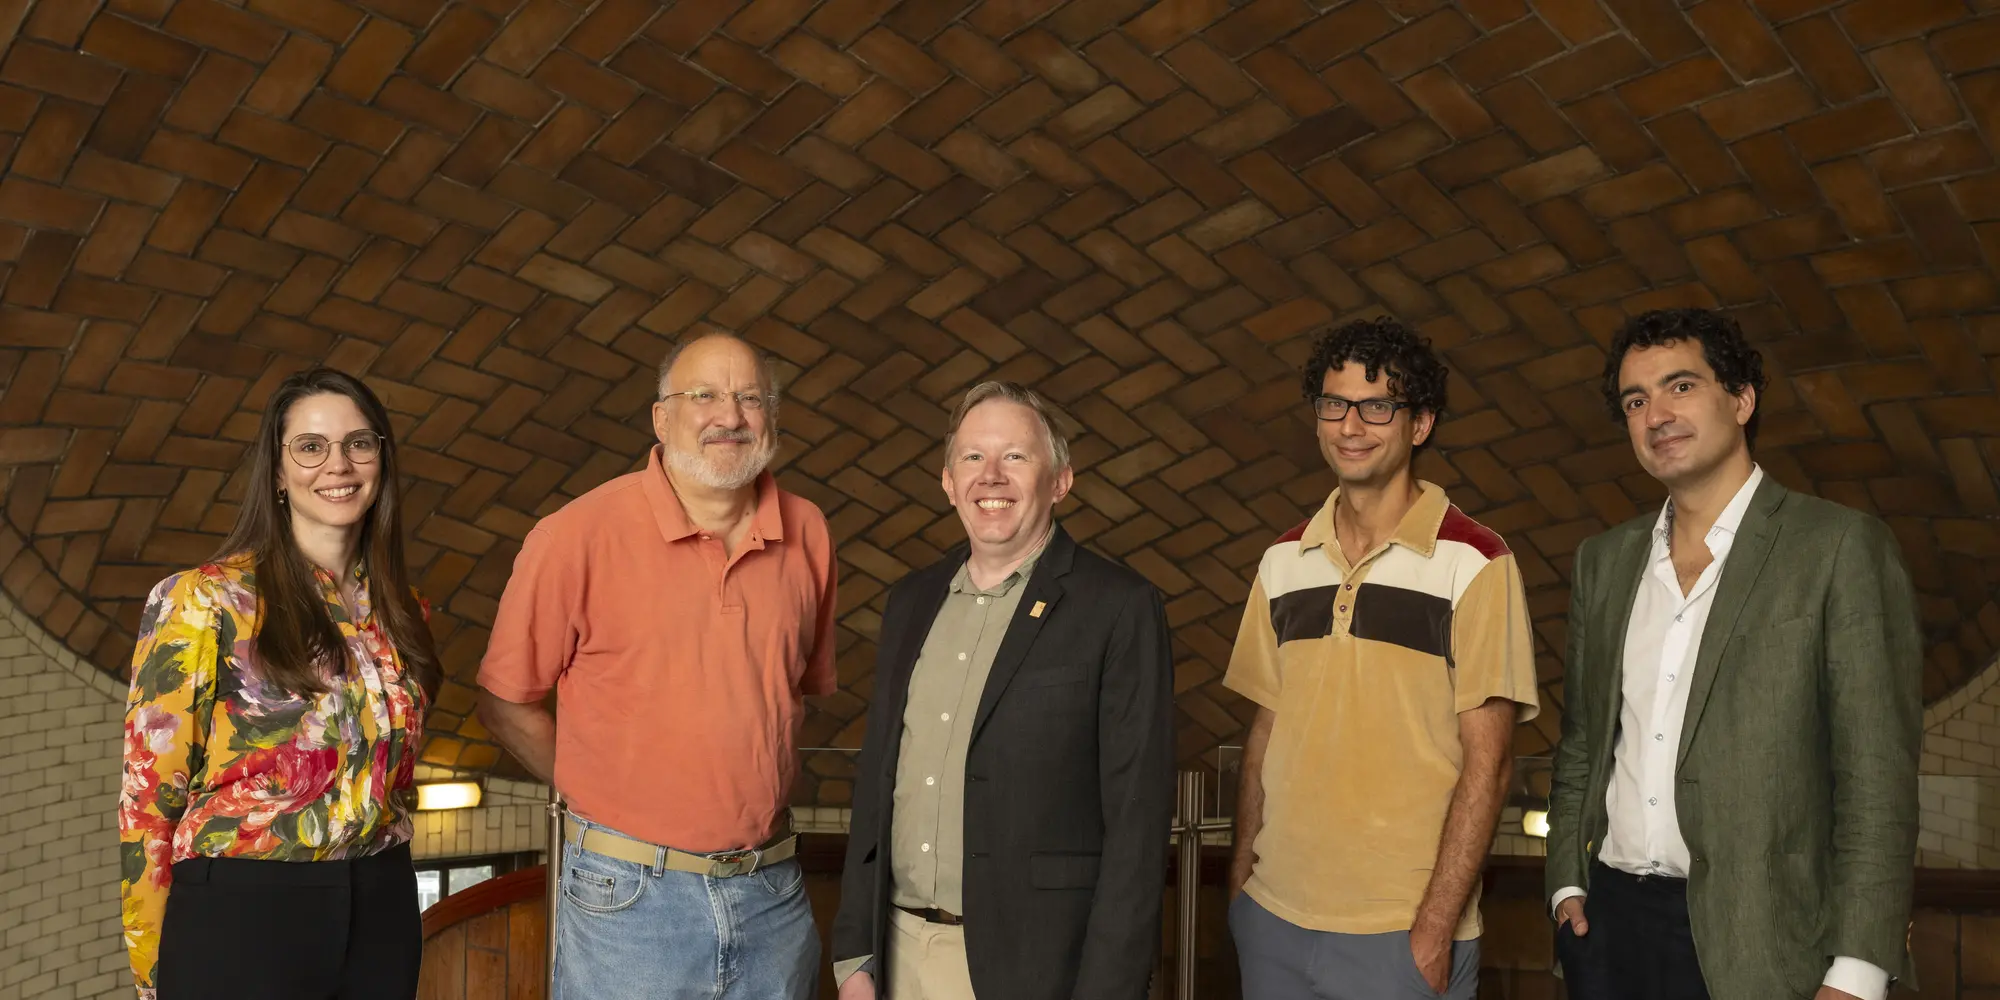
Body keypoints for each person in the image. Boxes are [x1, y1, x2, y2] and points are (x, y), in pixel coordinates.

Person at [1545, 308, 1921, 1000]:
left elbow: (1877, 780)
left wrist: (1860, 969)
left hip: (1765, 945)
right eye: (1636, 400)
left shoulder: (1837, 548)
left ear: (1742, 400)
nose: (1656, 413)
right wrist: (1567, 879)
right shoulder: (1604, 561)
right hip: (1608, 930)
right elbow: (1583, 744)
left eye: (1680, 387)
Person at [477, 334, 837, 1000]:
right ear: (660, 418)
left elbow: (790, 697)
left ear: (771, 420)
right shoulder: (575, 534)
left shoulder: (807, 530)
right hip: (629, 896)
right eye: (702, 395)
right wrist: (604, 788)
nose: (728, 416)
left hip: (772, 891)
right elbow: (504, 700)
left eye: (749, 398)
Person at [1224, 318, 1540, 1000]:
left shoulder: (1476, 562)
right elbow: (1264, 734)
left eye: (1378, 406)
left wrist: (1433, 928)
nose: (1351, 426)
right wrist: (1242, 890)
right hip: (1272, 922)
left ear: (1419, 423)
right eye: (1334, 404)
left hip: (1399, 935)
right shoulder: (1283, 560)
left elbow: (1490, 762)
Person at [830, 381, 1174, 1000]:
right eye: (972, 458)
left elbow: (1137, 828)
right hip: (898, 956)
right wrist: (855, 953)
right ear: (947, 481)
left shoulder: (1118, 607)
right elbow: (877, 784)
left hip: (1041, 969)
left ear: (1060, 480)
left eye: (1015, 457)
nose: (991, 477)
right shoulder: (910, 603)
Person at [118, 368, 439, 1000]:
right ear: (277, 470)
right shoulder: (204, 602)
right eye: (311, 446)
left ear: (380, 459)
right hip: (244, 909)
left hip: (381, 902)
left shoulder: (404, 611)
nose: (338, 465)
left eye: (359, 444)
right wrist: (154, 968)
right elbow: (147, 802)